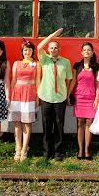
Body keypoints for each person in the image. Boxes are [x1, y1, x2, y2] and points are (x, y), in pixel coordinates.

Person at [36, 28, 72, 160]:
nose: (53, 50)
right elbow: (39, 46)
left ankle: (58, 152)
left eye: (55, 48)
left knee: (59, 126)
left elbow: (68, 80)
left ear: (59, 49)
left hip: (60, 98)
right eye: (51, 48)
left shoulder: (65, 62)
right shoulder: (44, 59)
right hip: (46, 97)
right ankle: (47, 152)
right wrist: (52, 36)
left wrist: (66, 95)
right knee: (46, 126)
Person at [68, 42, 99, 159]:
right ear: (81, 52)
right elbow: (73, 81)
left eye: (89, 50)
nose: (86, 51)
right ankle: (80, 150)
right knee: (80, 122)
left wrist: (97, 98)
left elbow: (97, 83)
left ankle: (87, 150)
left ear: (92, 53)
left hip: (91, 97)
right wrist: (68, 94)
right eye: (84, 50)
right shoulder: (77, 65)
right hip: (79, 97)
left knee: (89, 123)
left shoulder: (96, 66)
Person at [8, 40, 38, 161]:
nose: (27, 52)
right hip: (17, 93)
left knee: (27, 122)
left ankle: (25, 148)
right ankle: (18, 147)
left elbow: (37, 81)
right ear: (22, 51)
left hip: (30, 93)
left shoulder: (36, 64)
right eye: (25, 50)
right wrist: (9, 96)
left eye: (30, 50)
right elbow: (13, 80)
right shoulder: (16, 63)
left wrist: (37, 97)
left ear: (32, 51)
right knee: (17, 122)